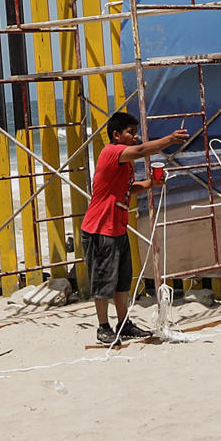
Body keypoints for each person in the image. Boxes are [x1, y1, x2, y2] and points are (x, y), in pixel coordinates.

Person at [82, 110, 189, 345]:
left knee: (122, 281)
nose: (135, 136)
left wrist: (151, 183)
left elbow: (127, 190)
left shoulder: (125, 164)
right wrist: (170, 139)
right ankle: (103, 327)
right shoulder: (111, 152)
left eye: (135, 132)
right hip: (100, 229)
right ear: (116, 135)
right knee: (103, 282)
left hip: (117, 229)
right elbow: (141, 151)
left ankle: (124, 324)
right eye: (130, 132)